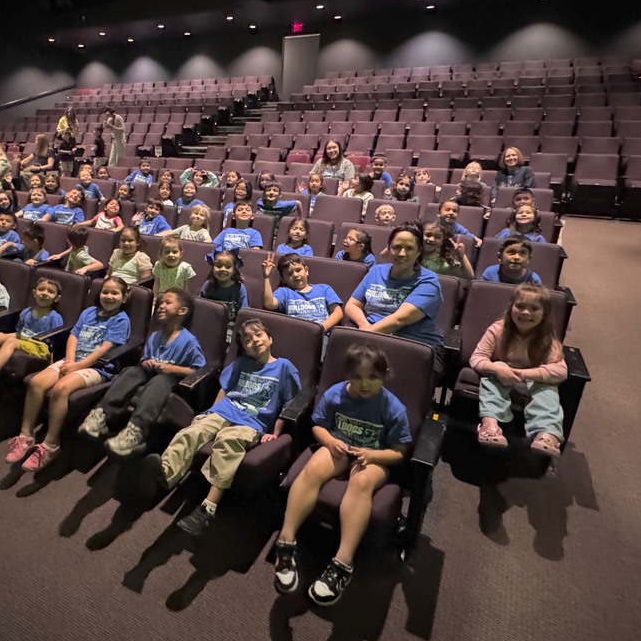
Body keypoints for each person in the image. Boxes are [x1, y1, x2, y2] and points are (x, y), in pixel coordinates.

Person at [272, 342, 411, 606]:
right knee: (313, 468)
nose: (365, 384)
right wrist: (329, 440)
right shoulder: (335, 394)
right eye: (357, 377)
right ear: (348, 374)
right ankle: (285, 542)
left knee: (361, 481)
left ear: (384, 376)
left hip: (374, 457)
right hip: (339, 447)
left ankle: (343, 563)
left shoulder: (393, 407)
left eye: (373, 377)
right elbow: (318, 426)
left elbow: (398, 452)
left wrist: (373, 455)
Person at [141, 318, 302, 537]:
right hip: (224, 411)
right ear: (243, 347)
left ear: (270, 338)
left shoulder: (284, 367)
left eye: (259, 335)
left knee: (228, 443)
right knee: (193, 431)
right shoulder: (241, 363)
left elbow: (288, 404)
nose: (254, 341)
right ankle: (166, 472)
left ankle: (207, 509)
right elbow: (224, 390)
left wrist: (275, 432)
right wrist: (210, 412)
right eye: (247, 340)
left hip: (252, 422)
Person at [5, 276, 132, 472]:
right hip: (73, 361)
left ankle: (51, 445)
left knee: (61, 388)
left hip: (97, 367)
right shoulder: (89, 312)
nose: (108, 296)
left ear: (124, 297)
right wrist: (70, 361)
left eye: (114, 293)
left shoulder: (121, 320)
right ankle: (25, 436)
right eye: (105, 292)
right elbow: (74, 335)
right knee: (36, 383)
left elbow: (104, 350)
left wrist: (78, 366)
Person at [80, 289, 206, 458]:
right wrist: (146, 362)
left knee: (160, 381)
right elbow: (144, 358)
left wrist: (173, 369)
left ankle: (136, 431)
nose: (161, 306)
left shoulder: (188, 340)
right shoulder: (155, 336)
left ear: (182, 311)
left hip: (171, 383)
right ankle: (100, 414)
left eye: (167, 302)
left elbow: (199, 370)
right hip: (150, 375)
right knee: (133, 372)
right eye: (160, 303)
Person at [472, 282, 566, 458]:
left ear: (544, 313)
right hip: (502, 378)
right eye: (520, 306)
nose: (526, 313)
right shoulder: (498, 329)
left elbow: (560, 370)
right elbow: (477, 358)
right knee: (494, 374)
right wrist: (496, 368)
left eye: (534, 308)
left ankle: (547, 434)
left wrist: (523, 374)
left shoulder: (547, 337)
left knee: (547, 388)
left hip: (531, 381)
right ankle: (489, 424)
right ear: (511, 307)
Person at [343, 223, 444, 373]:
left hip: (414, 344)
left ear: (418, 252)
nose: (402, 253)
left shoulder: (428, 281)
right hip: (372, 339)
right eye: (397, 247)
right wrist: (364, 326)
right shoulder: (376, 271)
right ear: (389, 248)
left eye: (409, 248)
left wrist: (364, 336)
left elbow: (399, 319)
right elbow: (352, 305)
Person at [262, 252, 343, 331]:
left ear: (306, 270)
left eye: (298, 270)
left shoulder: (324, 289)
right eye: (289, 273)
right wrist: (267, 277)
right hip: (297, 334)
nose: (295, 275)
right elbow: (269, 304)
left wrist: (321, 328)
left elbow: (338, 312)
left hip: (322, 333)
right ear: (283, 279)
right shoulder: (284, 292)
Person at [200, 249, 249, 342]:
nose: (223, 269)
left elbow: (244, 313)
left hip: (231, 329)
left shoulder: (239, 288)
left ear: (234, 270)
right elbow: (201, 309)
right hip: (209, 326)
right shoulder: (208, 285)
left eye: (228, 267)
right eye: (218, 266)